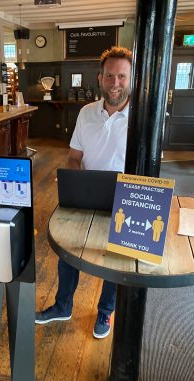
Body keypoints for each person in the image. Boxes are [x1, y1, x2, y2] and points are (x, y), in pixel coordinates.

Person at [35, 46, 133, 339]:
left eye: (122, 76)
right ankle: (63, 305)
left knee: (116, 260)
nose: (115, 82)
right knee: (67, 249)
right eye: (110, 76)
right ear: (100, 78)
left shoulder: (143, 116)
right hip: (86, 195)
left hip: (125, 200)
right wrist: (76, 185)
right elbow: (74, 157)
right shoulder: (86, 113)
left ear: (130, 79)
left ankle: (105, 311)